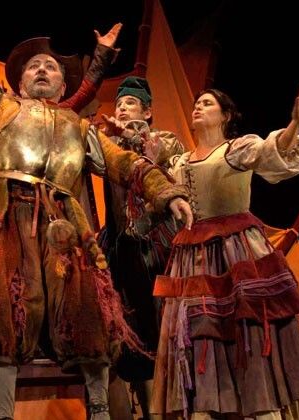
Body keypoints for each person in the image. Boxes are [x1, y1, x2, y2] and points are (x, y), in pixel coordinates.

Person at [0, 7, 194, 420]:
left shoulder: (79, 127)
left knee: (88, 311)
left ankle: (99, 410)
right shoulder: (2, 108)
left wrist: (166, 192)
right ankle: (3, 415)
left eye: (51, 67)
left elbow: (124, 162)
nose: (42, 69)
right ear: (20, 82)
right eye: (33, 67)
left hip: (64, 224)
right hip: (7, 220)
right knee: (0, 312)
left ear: (63, 85)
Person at [150, 80, 299, 419]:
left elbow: (271, 151)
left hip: (236, 253)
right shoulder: (179, 162)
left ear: (226, 115)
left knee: (248, 328)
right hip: (193, 259)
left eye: (208, 103)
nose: (198, 107)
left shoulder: (235, 149)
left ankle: (258, 404)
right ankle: (208, 407)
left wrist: (294, 125)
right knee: (199, 331)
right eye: (197, 103)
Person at [97, 76, 184, 416]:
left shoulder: (165, 140)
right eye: (119, 104)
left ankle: (170, 408)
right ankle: (145, 410)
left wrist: (130, 135)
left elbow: (159, 158)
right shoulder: (109, 145)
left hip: (156, 242)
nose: (122, 108)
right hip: (121, 243)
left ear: (147, 112)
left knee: (159, 325)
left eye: (130, 103)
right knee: (130, 330)